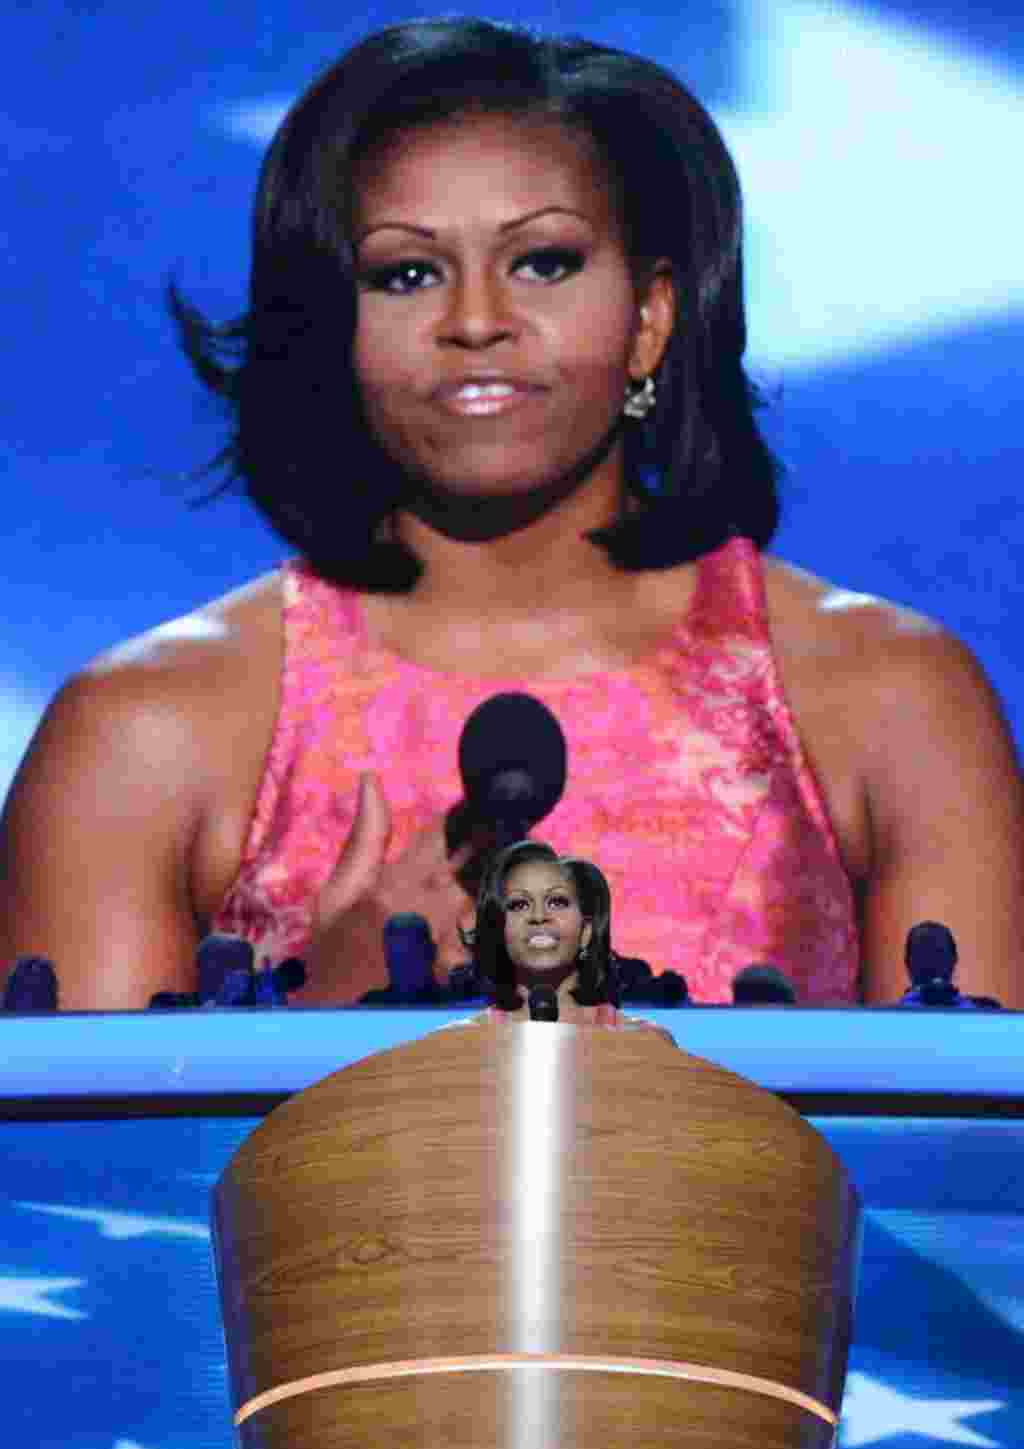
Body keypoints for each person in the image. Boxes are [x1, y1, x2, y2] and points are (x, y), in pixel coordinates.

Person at [2, 18, 1023, 1010]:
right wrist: (321, 1012)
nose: (477, 321)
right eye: (405, 272)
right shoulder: (143, 733)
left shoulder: (889, 700)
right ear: (328, 332)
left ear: (651, 317)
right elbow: (73, 1179)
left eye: (543, 261)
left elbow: (963, 1171)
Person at [444, 840, 675, 1039]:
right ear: (499, 932)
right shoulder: (460, 1046)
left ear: (586, 931)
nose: (538, 916)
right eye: (519, 904)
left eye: (557, 902)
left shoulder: (646, 1043)